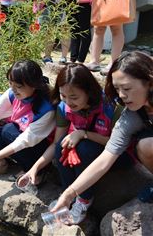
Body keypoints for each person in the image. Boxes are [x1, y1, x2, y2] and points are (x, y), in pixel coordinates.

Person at [19, 63, 133, 224]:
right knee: (62, 146)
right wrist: (35, 168)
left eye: (74, 97)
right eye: (63, 96)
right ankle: (68, 195)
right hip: (88, 148)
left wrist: (83, 134)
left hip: (118, 155)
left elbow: (118, 143)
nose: (68, 102)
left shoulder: (111, 107)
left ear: (89, 92)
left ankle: (84, 200)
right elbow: (57, 143)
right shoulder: (63, 108)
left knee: (83, 148)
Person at [52, 51, 153, 213]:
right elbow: (107, 156)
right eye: (117, 88)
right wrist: (69, 194)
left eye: (126, 88)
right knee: (146, 145)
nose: (121, 95)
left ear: (149, 82)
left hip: (127, 158)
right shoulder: (132, 115)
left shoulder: (109, 108)